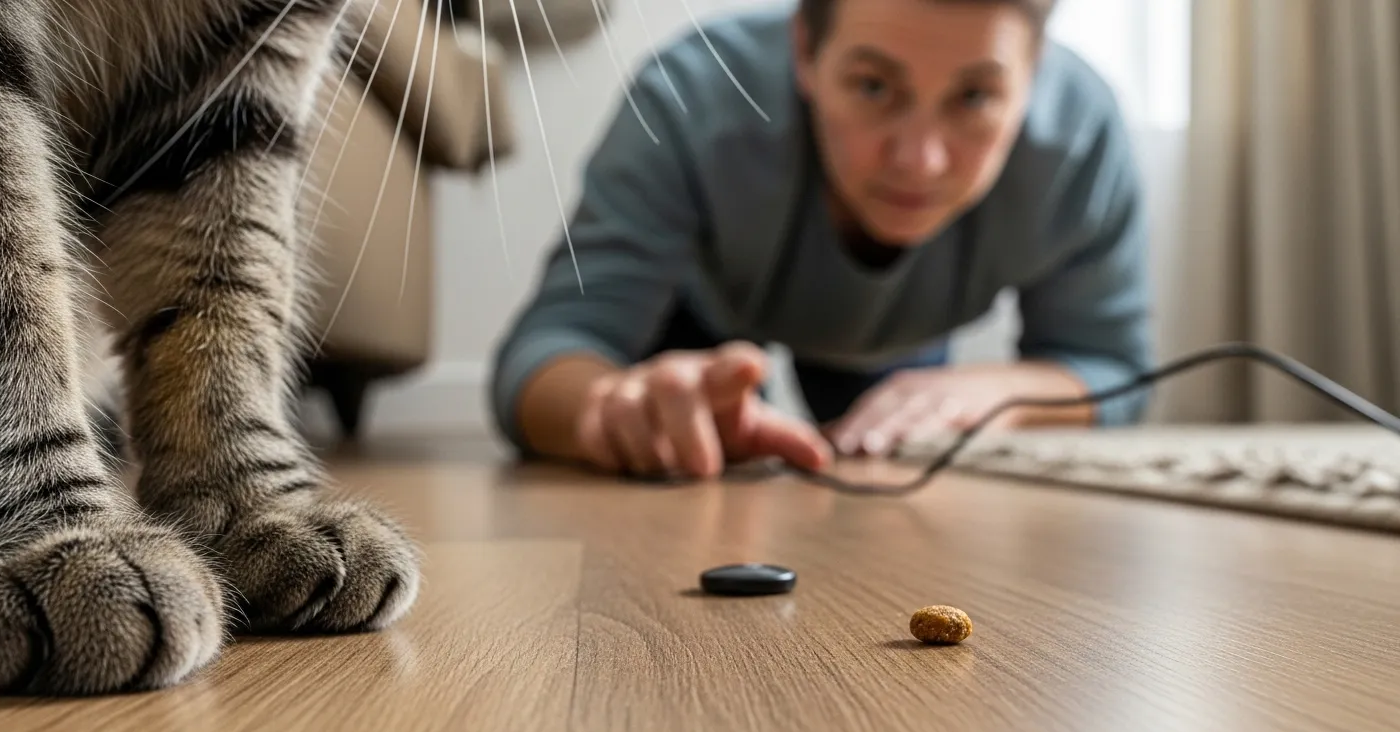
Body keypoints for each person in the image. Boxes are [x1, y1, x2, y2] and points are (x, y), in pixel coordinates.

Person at [487, 0, 1154, 479]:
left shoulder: (1081, 140)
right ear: (804, 50)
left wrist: (998, 393)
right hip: (702, 328)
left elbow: (1115, 367)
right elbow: (551, 348)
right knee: (702, 451)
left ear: (1035, 72)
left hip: (901, 352)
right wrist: (609, 407)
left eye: (974, 98)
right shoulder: (692, 95)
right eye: (874, 86)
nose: (920, 161)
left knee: (885, 457)